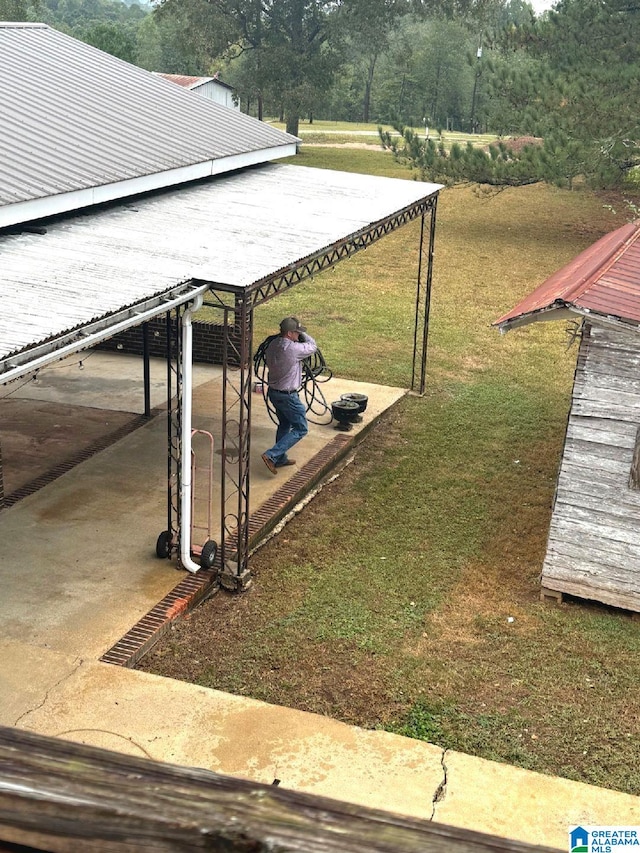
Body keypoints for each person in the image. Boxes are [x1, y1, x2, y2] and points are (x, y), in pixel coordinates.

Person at [261, 317, 317, 475]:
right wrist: (305, 336)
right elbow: (313, 346)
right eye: (297, 332)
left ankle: (280, 458)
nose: (299, 335)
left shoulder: (272, 345)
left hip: (274, 393)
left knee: (284, 424)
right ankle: (271, 455)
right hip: (288, 396)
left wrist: (299, 334)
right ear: (289, 333)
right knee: (301, 428)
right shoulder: (293, 349)